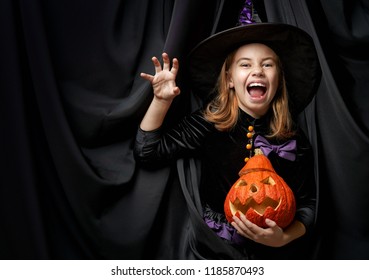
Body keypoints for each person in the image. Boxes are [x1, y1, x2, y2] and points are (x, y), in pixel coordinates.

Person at [134, 22, 321, 259]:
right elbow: (147, 152)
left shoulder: (293, 137)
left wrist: (283, 238)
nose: (257, 71)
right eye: (245, 64)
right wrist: (161, 101)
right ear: (230, 79)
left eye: (267, 64)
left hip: (274, 254)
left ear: (279, 80)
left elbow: (309, 205)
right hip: (213, 248)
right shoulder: (209, 120)